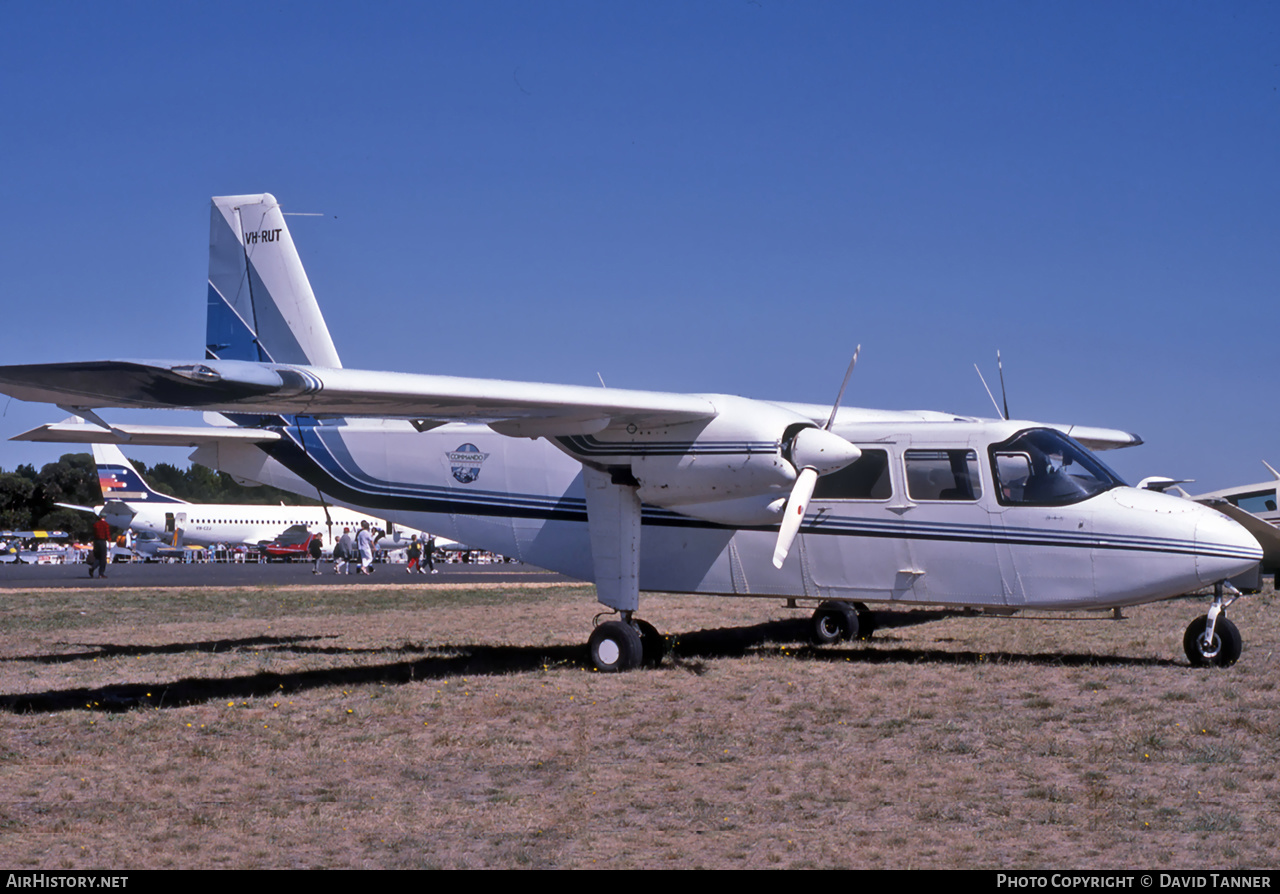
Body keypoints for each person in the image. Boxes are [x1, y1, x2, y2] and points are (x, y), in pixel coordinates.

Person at [89, 514, 111, 579]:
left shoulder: (95, 524)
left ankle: (93, 567)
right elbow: (107, 534)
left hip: (96, 541)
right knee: (103, 558)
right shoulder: (105, 524)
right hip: (102, 542)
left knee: (98, 557)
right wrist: (109, 542)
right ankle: (101, 573)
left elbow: (93, 533)